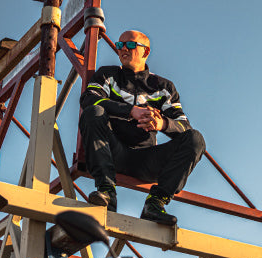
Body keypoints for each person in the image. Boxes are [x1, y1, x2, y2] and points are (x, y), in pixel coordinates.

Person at [79, 30, 205, 225]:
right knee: (93, 112)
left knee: (195, 139)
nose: (122, 49)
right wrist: (131, 111)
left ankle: (155, 203)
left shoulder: (163, 87)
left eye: (130, 45)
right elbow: (89, 100)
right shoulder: (108, 74)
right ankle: (106, 193)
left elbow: (183, 126)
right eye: (119, 45)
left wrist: (162, 123)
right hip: (112, 152)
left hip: (145, 160)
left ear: (146, 52)